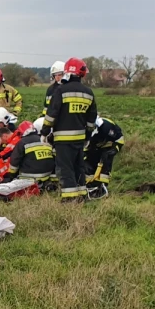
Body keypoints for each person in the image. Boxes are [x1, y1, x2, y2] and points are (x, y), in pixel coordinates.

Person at [41, 57, 97, 202]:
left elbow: (51, 115)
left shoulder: (60, 90)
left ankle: (70, 199)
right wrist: (88, 136)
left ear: (67, 72)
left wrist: (45, 131)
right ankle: (82, 195)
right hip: (79, 138)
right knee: (79, 167)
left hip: (62, 139)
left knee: (65, 168)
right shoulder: (88, 92)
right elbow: (92, 119)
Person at [6, 118, 57, 187]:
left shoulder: (22, 142)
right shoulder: (44, 140)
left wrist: (11, 176)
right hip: (47, 175)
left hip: (29, 177)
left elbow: (14, 161)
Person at [85, 116, 124, 198]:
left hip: (111, 143)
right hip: (96, 144)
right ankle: (91, 185)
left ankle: (102, 186)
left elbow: (119, 138)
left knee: (106, 158)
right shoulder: (85, 130)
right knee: (89, 161)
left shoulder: (106, 127)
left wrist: (116, 148)